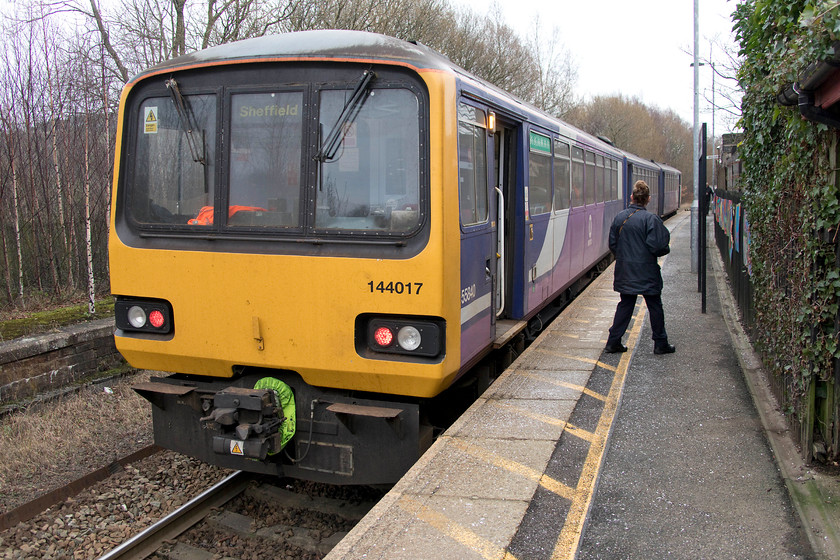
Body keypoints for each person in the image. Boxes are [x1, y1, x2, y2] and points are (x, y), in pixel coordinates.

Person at [604, 180, 676, 355]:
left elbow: (613, 244)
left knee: (625, 304)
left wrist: (625, 257)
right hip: (647, 271)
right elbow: (658, 247)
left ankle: (613, 342)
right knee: (654, 306)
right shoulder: (651, 219)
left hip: (625, 270)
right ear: (648, 199)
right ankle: (660, 343)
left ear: (632, 197)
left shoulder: (620, 218)